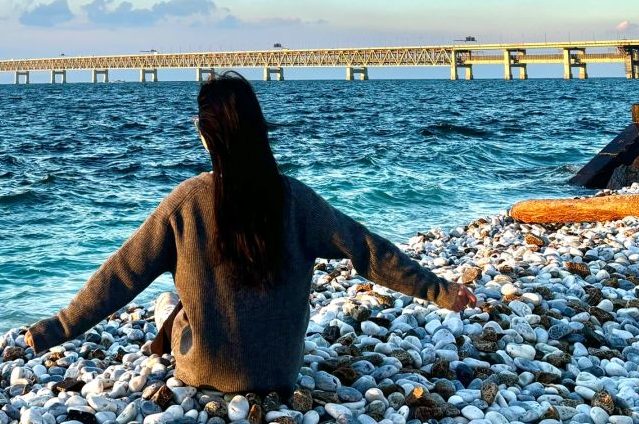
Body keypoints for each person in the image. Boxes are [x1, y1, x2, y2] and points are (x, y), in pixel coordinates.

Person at [25, 72, 476, 394]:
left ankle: (167, 339)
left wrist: (56, 329)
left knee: (171, 304)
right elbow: (367, 251)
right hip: (280, 372)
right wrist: (441, 291)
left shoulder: (185, 202)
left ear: (207, 135)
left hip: (207, 370)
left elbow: (121, 275)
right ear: (258, 129)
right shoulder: (295, 199)